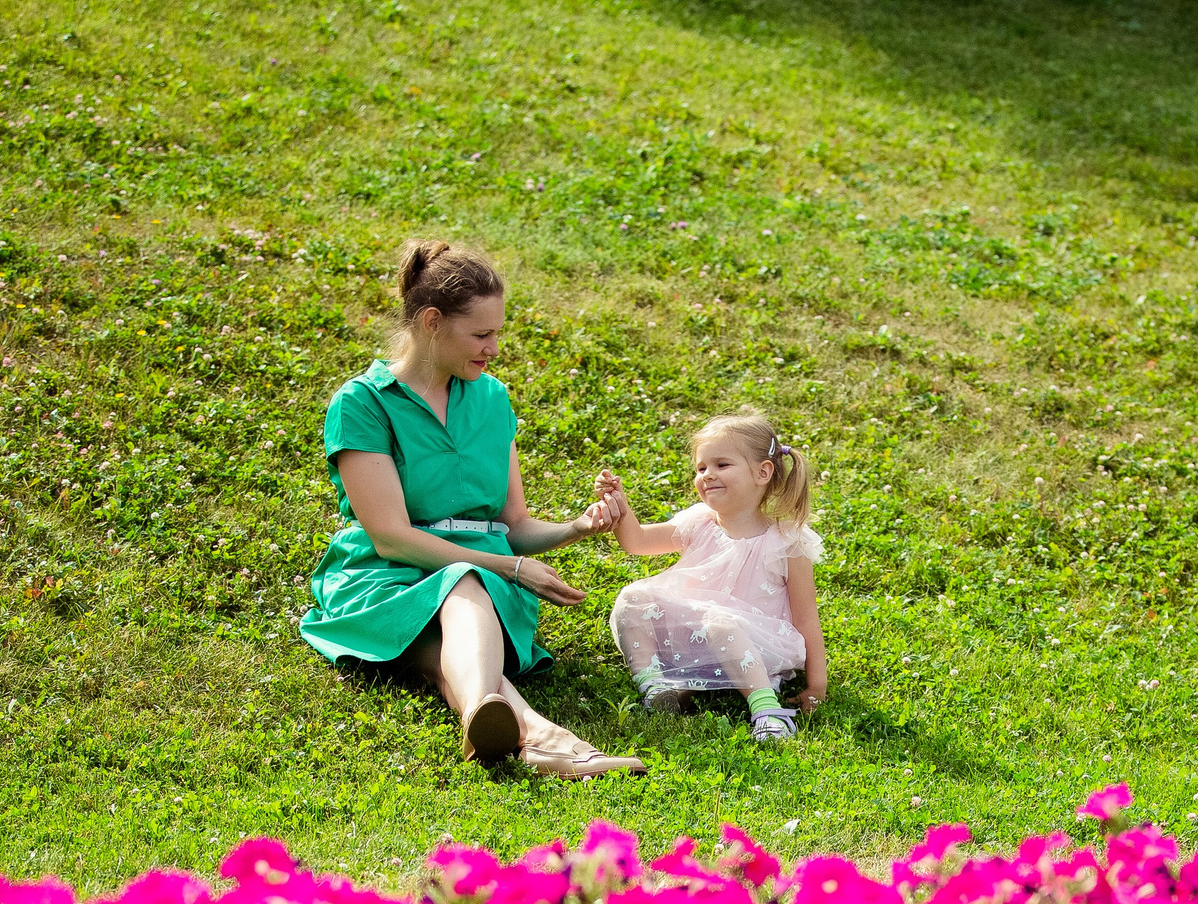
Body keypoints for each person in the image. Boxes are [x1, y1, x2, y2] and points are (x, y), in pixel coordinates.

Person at [302, 240, 642, 778]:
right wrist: (509, 566)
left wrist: (580, 526)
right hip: (382, 577)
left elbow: (513, 527)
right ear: (433, 322)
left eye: (497, 333)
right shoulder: (363, 403)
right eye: (481, 334)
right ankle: (539, 734)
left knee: (456, 617)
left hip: (481, 589)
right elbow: (390, 537)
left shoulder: (491, 399)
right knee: (463, 581)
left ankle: (509, 724)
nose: (494, 348)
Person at [593, 414, 827, 743]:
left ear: (763, 472)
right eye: (701, 468)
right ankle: (657, 687)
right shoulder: (700, 522)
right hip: (694, 635)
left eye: (721, 465)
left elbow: (806, 618)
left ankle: (766, 710)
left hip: (754, 645)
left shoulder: (787, 542)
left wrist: (816, 686)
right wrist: (620, 506)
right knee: (632, 597)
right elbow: (638, 542)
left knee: (721, 623)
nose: (707, 475)